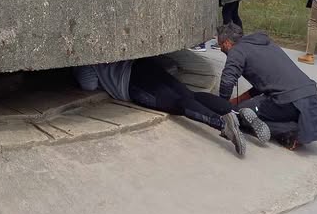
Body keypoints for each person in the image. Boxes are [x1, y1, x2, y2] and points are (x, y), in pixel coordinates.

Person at [73, 56, 263, 156]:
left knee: (179, 104)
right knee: (190, 94)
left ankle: (222, 125)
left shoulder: (84, 59)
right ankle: (236, 113)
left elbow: (88, 84)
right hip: (145, 66)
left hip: (131, 84)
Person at [217, 23, 317, 149]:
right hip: (310, 97)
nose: (222, 50)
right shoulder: (266, 44)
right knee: (245, 107)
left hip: (288, 101)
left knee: (238, 115)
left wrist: (222, 107)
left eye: (220, 46)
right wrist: (238, 100)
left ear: (226, 43)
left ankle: (290, 132)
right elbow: (263, 85)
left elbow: (227, 81)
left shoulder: (236, 50)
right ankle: (300, 125)